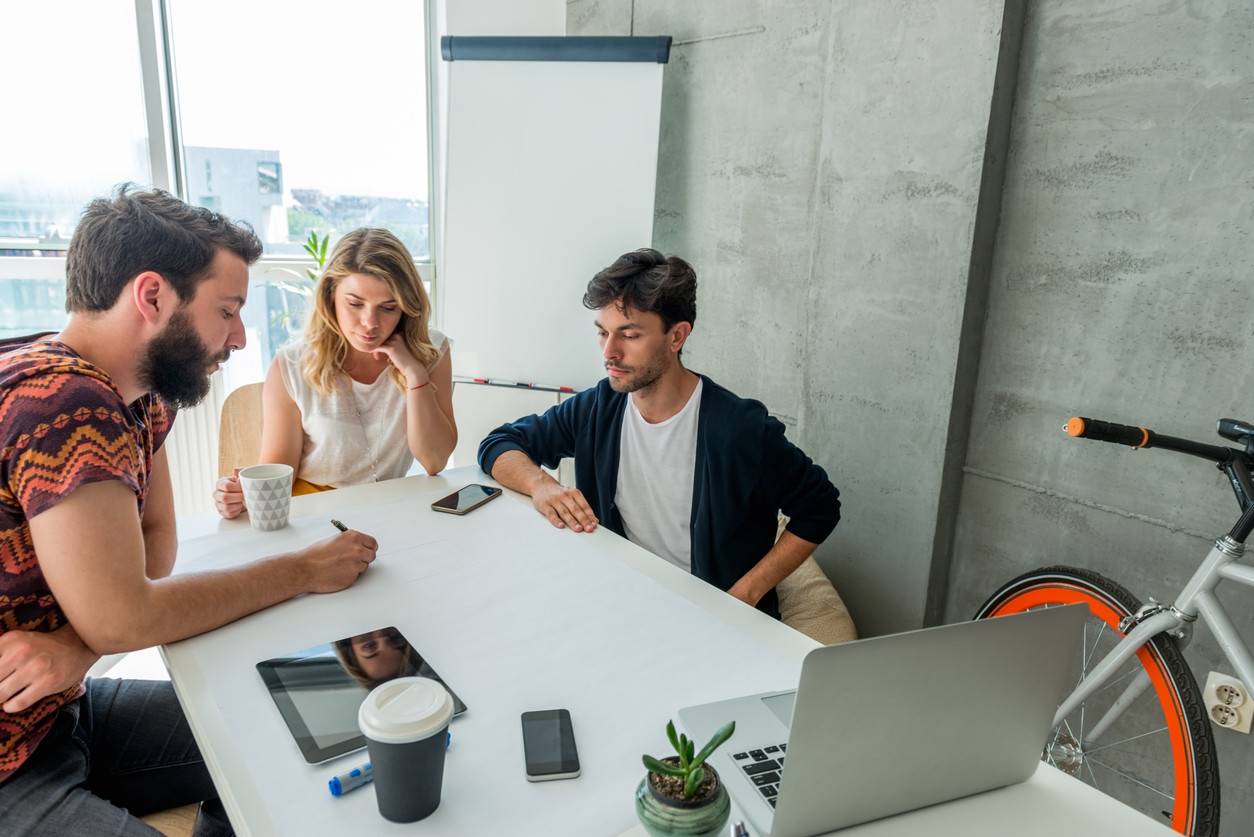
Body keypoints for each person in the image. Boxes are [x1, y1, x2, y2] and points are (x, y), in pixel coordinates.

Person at [0, 186, 379, 837]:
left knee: (305, 723)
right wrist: (303, 570)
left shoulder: (142, 393)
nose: (237, 336)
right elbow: (126, 614)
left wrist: (76, 642)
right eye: (226, 310)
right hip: (10, 761)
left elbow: (157, 547)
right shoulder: (63, 403)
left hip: (58, 710)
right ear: (152, 296)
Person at [478, 249, 840, 618]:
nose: (609, 352)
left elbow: (821, 506)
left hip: (710, 619)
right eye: (602, 333)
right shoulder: (597, 408)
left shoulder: (739, 429)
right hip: (619, 597)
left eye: (629, 335)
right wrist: (543, 486)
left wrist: (746, 594)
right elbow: (498, 445)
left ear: (677, 336)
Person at [213, 228, 455, 516]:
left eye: (388, 308)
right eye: (354, 304)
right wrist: (239, 495)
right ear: (330, 297)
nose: (370, 323)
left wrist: (415, 376)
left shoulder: (430, 351)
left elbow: (434, 461)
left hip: (388, 507)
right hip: (314, 512)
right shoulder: (292, 365)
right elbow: (281, 475)